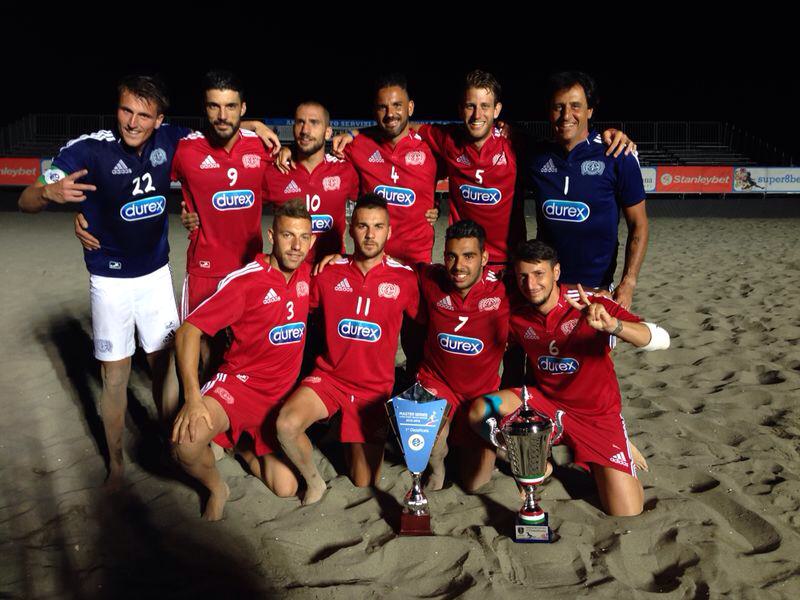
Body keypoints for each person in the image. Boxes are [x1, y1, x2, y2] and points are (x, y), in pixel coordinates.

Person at [18, 75, 188, 488]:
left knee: (164, 367)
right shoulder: (88, 149)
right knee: (115, 378)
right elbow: (26, 200)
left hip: (156, 277)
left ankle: (170, 446)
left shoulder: (173, 139)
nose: (132, 122)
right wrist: (48, 194)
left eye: (143, 115)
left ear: (158, 119)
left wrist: (253, 126)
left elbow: (221, 142)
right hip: (109, 282)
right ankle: (115, 463)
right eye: (126, 110)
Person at [467, 240, 670, 516]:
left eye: (539, 274)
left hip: (596, 417)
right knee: (480, 411)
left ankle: (618, 442)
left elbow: (661, 338)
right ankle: (536, 461)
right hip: (547, 407)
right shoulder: (518, 314)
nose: (531, 284)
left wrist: (614, 326)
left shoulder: (590, 302)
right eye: (523, 276)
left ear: (557, 272)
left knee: (626, 512)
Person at [171, 199, 314, 520]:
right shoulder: (245, 281)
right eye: (288, 235)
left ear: (312, 241)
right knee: (187, 443)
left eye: (304, 237)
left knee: (286, 488)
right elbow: (187, 333)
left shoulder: (308, 275)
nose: (296, 245)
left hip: (277, 401)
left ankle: (242, 447)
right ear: (271, 236)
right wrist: (193, 399)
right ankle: (216, 488)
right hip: (238, 388)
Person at [276, 194, 420, 504]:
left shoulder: (406, 279)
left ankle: (339, 427)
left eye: (378, 227)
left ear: (389, 232)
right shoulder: (327, 272)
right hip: (330, 380)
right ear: (350, 230)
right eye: (363, 226)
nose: (370, 235)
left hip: (373, 391)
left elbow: (423, 329)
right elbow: (291, 294)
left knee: (363, 480)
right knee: (286, 424)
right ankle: (315, 483)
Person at [282, 74, 439, 264]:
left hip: (417, 262)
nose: (390, 113)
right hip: (371, 262)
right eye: (383, 107)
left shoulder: (432, 148)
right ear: (375, 111)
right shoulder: (357, 146)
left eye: (397, 105)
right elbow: (313, 150)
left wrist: (435, 203)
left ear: (410, 107)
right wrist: (288, 148)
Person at [524, 71, 648, 308]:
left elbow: (639, 225)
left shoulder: (617, 156)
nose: (566, 115)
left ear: (590, 110)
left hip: (597, 291)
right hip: (547, 290)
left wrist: (628, 283)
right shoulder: (536, 158)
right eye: (558, 107)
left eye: (575, 106)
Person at [415, 220, 510, 491]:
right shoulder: (431, 278)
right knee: (428, 440)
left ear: (485, 258)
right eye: (451, 256)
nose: (458, 266)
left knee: (473, 484)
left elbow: (546, 287)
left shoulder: (505, 290)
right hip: (436, 382)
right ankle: (438, 469)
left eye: (468, 256)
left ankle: (474, 447)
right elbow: (389, 265)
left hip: (480, 395)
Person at [263, 101, 359, 264]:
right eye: (300, 122)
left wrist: (353, 133)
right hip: (288, 277)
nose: (305, 130)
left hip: (330, 272)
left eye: (314, 123)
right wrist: (255, 125)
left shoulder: (346, 171)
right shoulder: (274, 171)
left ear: (328, 132)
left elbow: (384, 134)